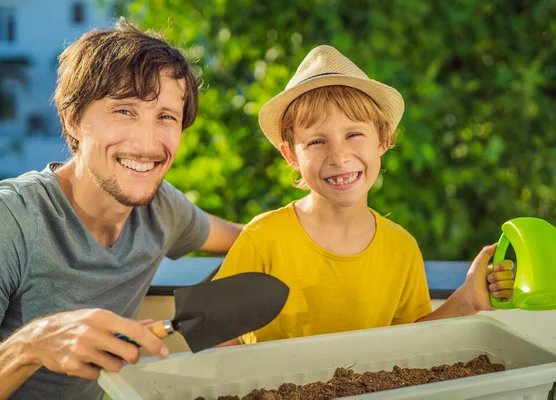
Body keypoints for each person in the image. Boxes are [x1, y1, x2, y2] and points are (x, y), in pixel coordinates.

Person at [0, 20, 241, 400]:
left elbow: (250, 237)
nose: (147, 143)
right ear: (73, 119)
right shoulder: (5, 221)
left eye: (166, 117)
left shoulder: (162, 209)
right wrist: (30, 347)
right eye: (124, 111)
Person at [214, 45, 514, 345]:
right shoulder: (262, 238)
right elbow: (215, 336)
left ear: (383, 139)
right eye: (317, 141)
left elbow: (411, 347)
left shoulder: (402, 249)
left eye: (353, 134)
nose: (339, 156)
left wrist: (468, 300)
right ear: (290, 155)